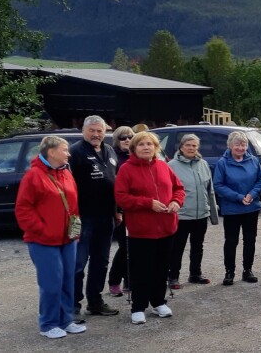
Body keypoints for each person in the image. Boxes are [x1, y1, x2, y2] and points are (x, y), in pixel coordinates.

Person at [16, 136, 88, 338]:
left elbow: (72, 205)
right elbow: (23, 209)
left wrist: (75, 230)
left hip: (68, 239)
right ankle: (48, 324)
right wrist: (42, 229)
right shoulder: (33, 176)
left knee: (67, 280)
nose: (69, 153)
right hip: (43, 241)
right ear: (51, 152)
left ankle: (65, 321)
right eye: (65, 150)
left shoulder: (65, 172)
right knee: (51, 283)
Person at [114, 131, 185, 325]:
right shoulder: (126, 169)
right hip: (141, 231)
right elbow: (121, 197)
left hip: (167, 228)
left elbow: (178, 189)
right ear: (134, 148)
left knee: (161, 268)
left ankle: (158, 302)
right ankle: (138, 306)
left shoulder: (163, 166)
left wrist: (176, 202)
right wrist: (148, 203)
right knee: (141, 270)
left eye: (150, 144)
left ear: (156, 147)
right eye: (141, 144)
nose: (146, 147)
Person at [69, 115, 121, 317]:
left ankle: (95, 301)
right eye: (92, 130)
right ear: (84, 131)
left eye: (100, 130)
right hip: (82, 218)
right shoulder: (75, 153)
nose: (96, 134)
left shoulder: (109, 150)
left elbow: (114, 183)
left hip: (106, 216)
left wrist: (117, 211)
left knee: (101, 261)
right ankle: (73, 305)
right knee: (78, 264)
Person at [214, 131, 261, 285]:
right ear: (230, 146)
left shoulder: (254, 161)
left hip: (251, 207)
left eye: (243, 144)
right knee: (231, 241)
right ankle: (229, 272)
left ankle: (248, 270)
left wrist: (252, 194)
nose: (240, 148)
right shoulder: (222, 163)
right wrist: (238, 197)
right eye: (237, 144)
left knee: (250, 240)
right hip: (232, 208)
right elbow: (218, 185)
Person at [167, 134, 218, 289]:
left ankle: (195, 274)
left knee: (198, 246)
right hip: (181, 215)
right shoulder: (171, 166)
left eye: (194, 146)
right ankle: (173, 276)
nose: (191, 148)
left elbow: (210, 190)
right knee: (177, 247)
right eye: (188, 145)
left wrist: (213, 214)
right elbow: (168, 191)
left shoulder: (203, 164)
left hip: (201, 214)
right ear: (181, 147)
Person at [107, 125, 134, 297]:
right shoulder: (112, 157)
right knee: (125, 247)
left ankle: (129, 280)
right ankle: (114, 280)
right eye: (123, 137)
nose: (127, 140)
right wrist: (118, 210)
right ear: (117, 139)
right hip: (119, 208)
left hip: (136, 208)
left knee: (134, 246)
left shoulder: (137, 155)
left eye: (130, 137)